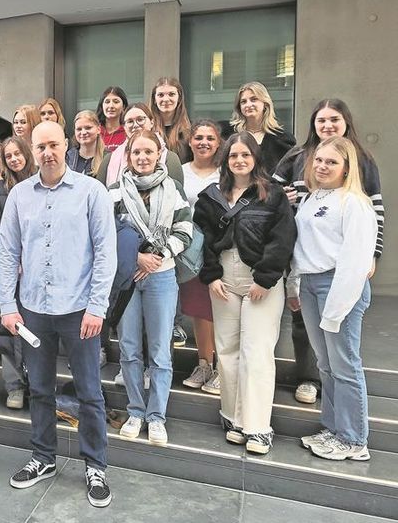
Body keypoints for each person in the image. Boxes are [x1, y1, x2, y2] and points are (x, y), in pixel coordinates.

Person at [0, 121, 116, 508]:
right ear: (31, 150)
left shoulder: (91, 192)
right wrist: (7, 305)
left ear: (66, 145)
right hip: (34, 309)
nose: (47, 153)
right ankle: (43, 457)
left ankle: (95, 464)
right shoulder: (19, 195)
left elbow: (105, 254)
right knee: (40, 388)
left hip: (80, 309)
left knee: (90, 393)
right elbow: (8, 253)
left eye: (53, 145)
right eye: (40, 146)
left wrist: (97, 306)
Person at [273, 98, 385, 405]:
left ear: (346, 122)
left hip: (337, 267)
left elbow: (375, 208)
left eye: (334, 119)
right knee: (309, 335)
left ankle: (349, 434)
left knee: (342, 357)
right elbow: (271, 190)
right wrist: (281, 197)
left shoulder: (360, 163)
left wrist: (372, 253)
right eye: (321, 120)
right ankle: (309, 380)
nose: (327, 125)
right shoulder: (298, 155)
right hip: (304, 262)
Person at [194, 132, 295, 454]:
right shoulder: (210, 197)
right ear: (226, 159)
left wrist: (265, 279)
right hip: (223, 278)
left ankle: (257, 426)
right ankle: (234, 418)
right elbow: (203, 240)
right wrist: (210, 276)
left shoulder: (273, 195)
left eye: (245, 155)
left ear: (255, 159)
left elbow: (282, 240)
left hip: (259, 281)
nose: (239, 161)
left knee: (257, 351)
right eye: (233, 155)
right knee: (227, 349)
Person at [290, 137, 377, 461]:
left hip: (338, 286)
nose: (323, 166)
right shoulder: (314, 197)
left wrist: (337, 308)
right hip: (311, 284)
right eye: (319, 160)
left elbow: (355, 261)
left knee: (345, 365)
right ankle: (333, 427)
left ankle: (354, 439)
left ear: (346, 168)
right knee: (326, 365)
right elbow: (303, 247)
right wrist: (294, 286)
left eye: (332, 162)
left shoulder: (354, 203)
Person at [109, 129, 192, 447]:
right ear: (127, 157)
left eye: (148, 152)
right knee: (129, 349)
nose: (142, 158)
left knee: (159, 351)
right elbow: (107, 232)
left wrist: (159, 254)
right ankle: (135, 411)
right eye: (136, 152)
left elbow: (186, 228)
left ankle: (157, 417)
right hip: (129, 277)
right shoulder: (115, 191)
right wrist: (136, 258)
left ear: (160, 154)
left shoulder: (175, 189)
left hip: (161, 275)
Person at [0, 136, 37, 409]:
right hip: (10, 268)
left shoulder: (41, 183)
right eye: (9, 156)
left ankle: (38, 383)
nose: (14, 159)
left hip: (39, 270)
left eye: (18, 153)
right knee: (10, 328)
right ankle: (14, 386)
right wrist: (13, 259)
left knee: (35, 326)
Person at [179, 120, 223, 395]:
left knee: (219, 309)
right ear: (190, 142)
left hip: (219, 248)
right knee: (199, 311)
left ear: (218, 143)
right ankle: (203, 363)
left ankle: (221, 368)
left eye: (210, 138)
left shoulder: (225, 172)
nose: (204, 142)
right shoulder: (181, 173)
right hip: (190, 251)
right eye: (198, 137)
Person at [99, 103, 184, 187]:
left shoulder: (170, 159)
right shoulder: (109, 160)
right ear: (124, 127)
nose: (135, 125)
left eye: (140, 119)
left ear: (152, 122)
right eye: (130, 121)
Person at [225, 81, 295, 171]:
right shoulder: (228, 134)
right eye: (243, 102)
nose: (248, 105)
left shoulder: (282, 140)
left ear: (265, 103)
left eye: (253, 99)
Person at [150, 77, 193, 163]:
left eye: (171, 94)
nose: (166, 99)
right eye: (160, 95)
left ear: (179, 98)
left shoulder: (191, 130)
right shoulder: (147, 129)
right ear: (154, 99)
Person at [65, 110, 105, 179]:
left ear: (98, 129)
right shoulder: (68, 157)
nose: (83, 132)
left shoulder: (107, 158)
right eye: (79, 129)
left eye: (88, 128)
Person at [97, 86, 128, 152]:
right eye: (107, 102)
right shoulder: (96, 131)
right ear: (102, 106)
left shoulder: (128, 131)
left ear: (124, 107)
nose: (111, 106)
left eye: (116, 102)